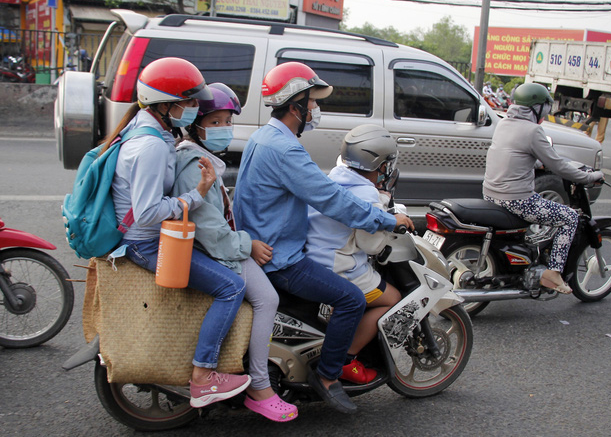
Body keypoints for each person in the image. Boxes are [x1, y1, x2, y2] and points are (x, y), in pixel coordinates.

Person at [232, 62, 414, 414]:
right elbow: (331, 200)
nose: (316, 109)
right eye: (312, 102)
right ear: (295, 103)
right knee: (350, 300)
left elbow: (321, 187)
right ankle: (329, 377)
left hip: (262, 240)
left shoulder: (264, 137)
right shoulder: (285, 149)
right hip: (282, 257)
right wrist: (386, 219)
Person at [106, 57, 251, 409]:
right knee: (232, 287)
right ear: (165, 104)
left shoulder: (150, 129)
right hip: (145, 243)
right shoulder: (152, 146)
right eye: (187, 102)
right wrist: (196, 194)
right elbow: (148, 212)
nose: (192, 108)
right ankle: (204, 375)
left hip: (154, 236)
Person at [172, 83, 297, 422]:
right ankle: (259, 385)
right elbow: (211, 231)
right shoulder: (193, 163)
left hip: (219, 245)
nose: (223, 128)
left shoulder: (202, 157)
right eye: (215, 122)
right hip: (215, 251)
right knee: (267, 299)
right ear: (195, 125)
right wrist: (248, 245)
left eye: (227, 121)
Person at [482, 83, 604, 294]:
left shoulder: (503, 124)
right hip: (517, 199)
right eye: (545, 108)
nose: (546, 114)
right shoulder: (533, 130)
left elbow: (514, 154)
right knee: (569, 217)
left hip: (491, 194)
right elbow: (558, 165)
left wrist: (537, 163)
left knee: (544, 210)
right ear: (536, 108)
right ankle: (554, 272)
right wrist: (589, 177)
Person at [305, 124, 402, 384]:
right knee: (392, 299)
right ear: (378, 164)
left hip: (312, 257)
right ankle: (347, 358)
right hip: (339, 266)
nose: (388, 169)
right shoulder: (367, 193)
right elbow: (370, 245)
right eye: (386, 163)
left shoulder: (336, 174)